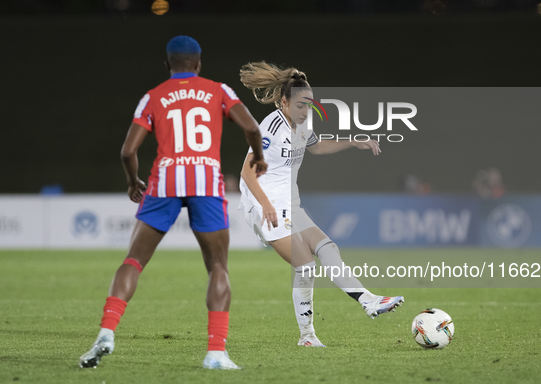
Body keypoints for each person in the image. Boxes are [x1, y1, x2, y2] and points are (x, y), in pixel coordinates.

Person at [79, 36, 267, 370]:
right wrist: (258, 156)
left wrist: (131, 181)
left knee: (134, 261)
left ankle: (106, 332)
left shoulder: (152, 96)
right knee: (218, 267)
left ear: (167, 65)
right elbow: (252, 127)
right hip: (205, 181)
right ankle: (215, 354)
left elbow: (128, 151)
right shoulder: (218, 90)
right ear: (198, 63)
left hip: (164, 180)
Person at [237, 62, 404, 347]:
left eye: (310, 105)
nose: (306, 111)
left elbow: (316, 146)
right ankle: (309, 336)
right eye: (301, 105)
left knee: (327, 247)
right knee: (305, 266)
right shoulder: (271, 128)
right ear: (284, 101)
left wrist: (353, 142)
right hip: (265, 204)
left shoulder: (303, 124)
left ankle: (367, 301)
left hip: (289, 202)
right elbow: (247, 172)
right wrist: (265, 206)